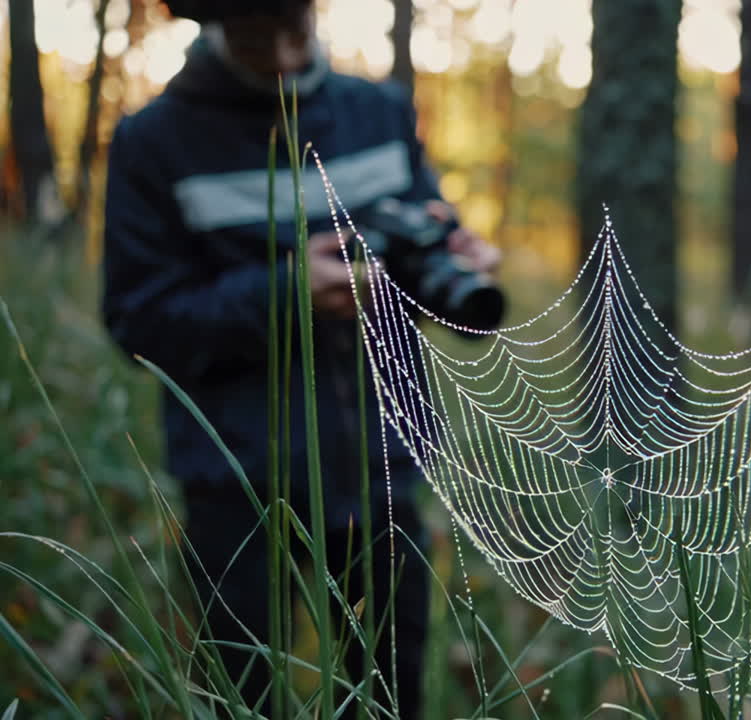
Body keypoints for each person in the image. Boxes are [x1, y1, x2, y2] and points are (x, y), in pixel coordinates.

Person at [101, 1, 499, 716]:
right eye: (257, 30)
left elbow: (421, 252)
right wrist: (286, 292)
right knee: (243, 697)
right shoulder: (154, 142)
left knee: (389, 697)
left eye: (296, 25)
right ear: (211, 20)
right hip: (240, 486)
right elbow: (139, 322)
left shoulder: (379, 112)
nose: (284, 53)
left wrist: (457, 265)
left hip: (384, 474)